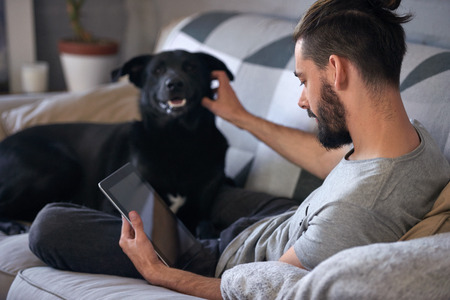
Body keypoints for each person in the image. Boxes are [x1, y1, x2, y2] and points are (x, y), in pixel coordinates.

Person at [29, 0, 450, 299]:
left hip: (219, 257)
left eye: (303, 80)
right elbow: (334, 164)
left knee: (50, 224)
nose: (302, 100)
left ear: (336, 70)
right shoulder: (415, 143)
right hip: (282, 218)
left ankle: (180, 235)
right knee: (215, 188)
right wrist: (239, 116)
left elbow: (266, 289)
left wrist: (161, 271)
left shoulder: (354, 214)